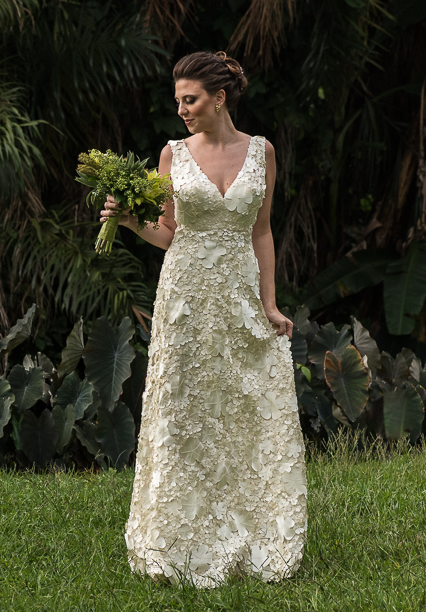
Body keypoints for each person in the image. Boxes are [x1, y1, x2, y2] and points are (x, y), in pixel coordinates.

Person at [101, 51, 307, 587]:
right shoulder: (173, 154)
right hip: (186, 296)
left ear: (220, 98)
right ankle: (178, 540)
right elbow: (169, 232)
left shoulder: (263, 152)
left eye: (190, 100)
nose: (182, 110)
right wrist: (129, 221)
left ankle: (250, 531)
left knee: (241, 409)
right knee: (185, 410)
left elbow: (262, 232)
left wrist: (270, 302)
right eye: (178, 102)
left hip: (239, 295)